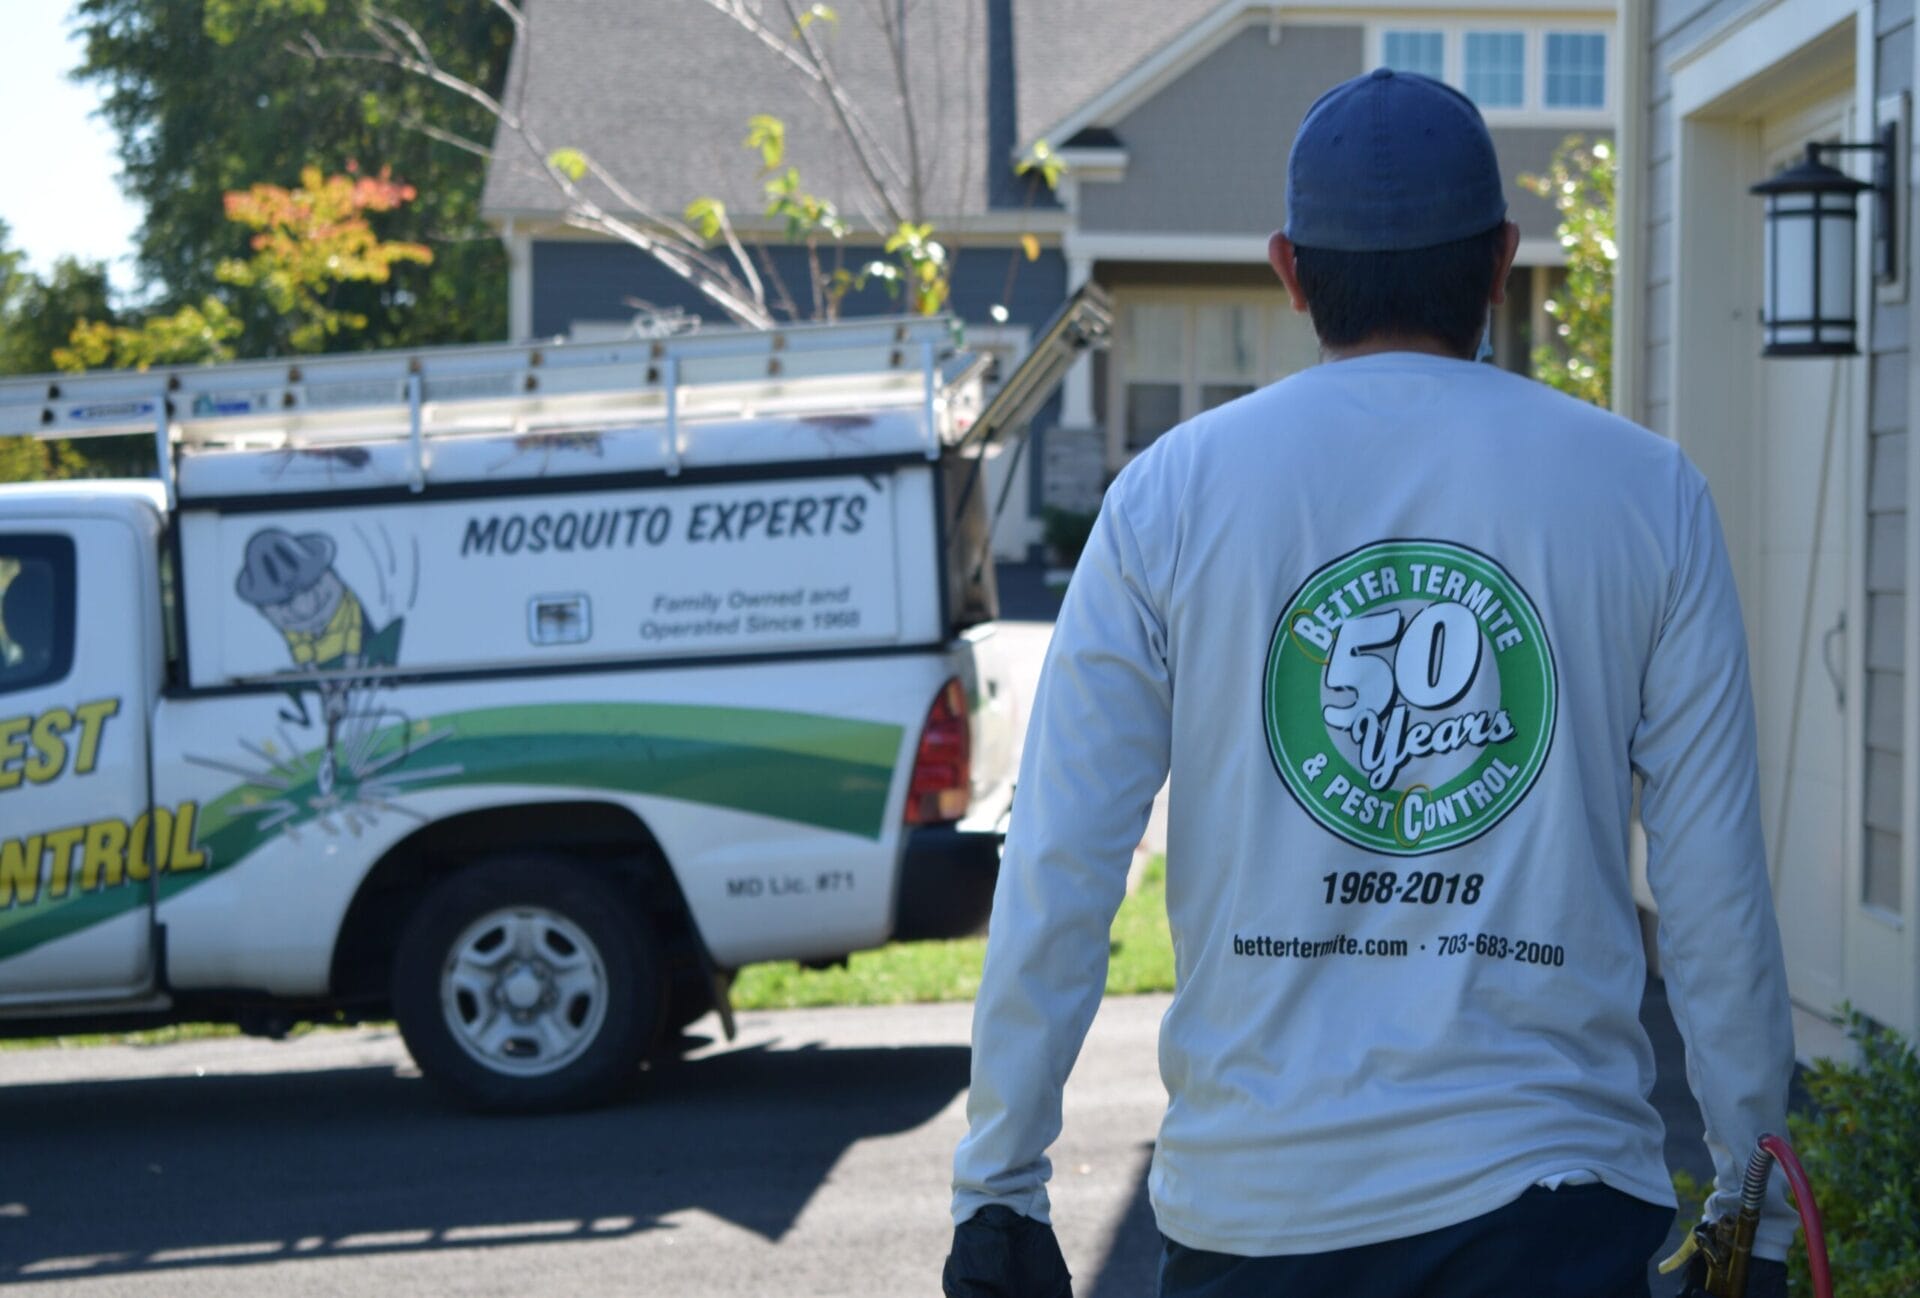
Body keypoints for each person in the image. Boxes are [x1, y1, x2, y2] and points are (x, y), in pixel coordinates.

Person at [945, 68, 1797, 1298]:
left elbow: (1063, 862)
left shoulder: (1168, 499)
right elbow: (1715, 882)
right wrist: (1752, 1200)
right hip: (1554, 1208)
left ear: (1290, 272)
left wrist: (1001, 1188)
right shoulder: (1643, 493)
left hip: (1256, 1210)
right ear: (1500, 261)